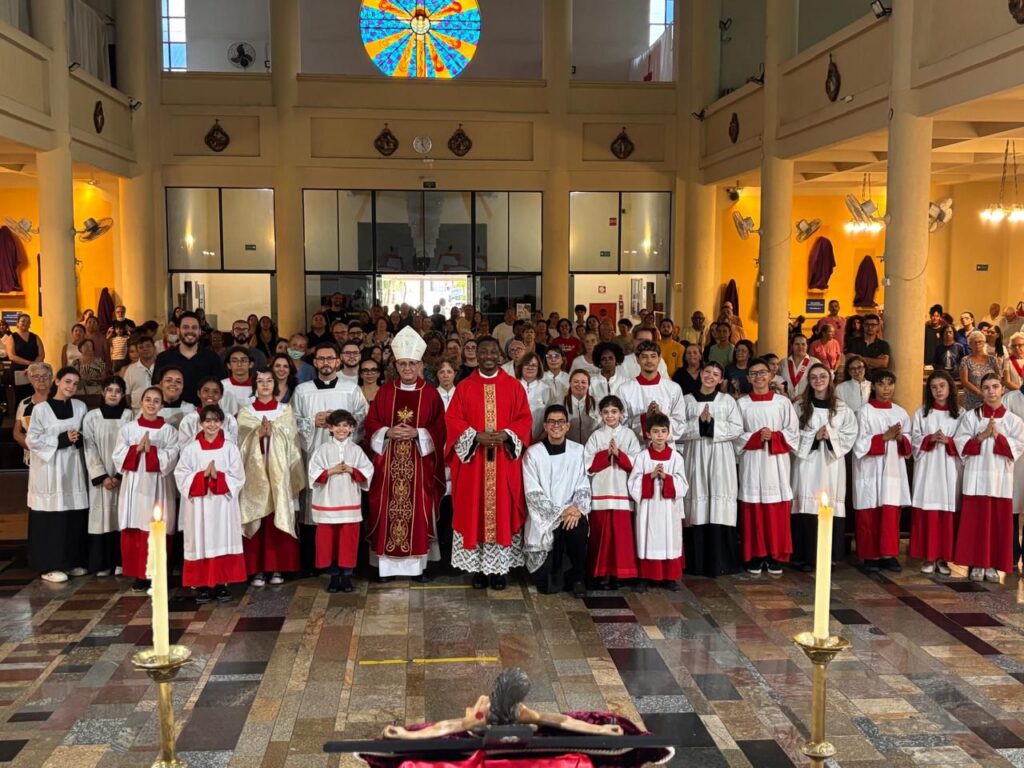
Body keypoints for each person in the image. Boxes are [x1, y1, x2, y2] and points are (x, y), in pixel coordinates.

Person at [445, 336, 533, 590]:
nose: (488, 356)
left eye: (493, 351)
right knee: (474, 510)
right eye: (483, 352)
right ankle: (478, 571)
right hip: (474, 465)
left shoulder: (513, 386)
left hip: (504, 462)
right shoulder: (464, 387)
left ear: (500, 355)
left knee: (502, 510)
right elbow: (453, 420)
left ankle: (499, 570)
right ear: (476, 355)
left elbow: (524, 419)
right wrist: (475, 436)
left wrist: (507, 435)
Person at [363, 327, 446, 581]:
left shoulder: (430, 394)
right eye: (402, 364)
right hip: (388, 464)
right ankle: (386, 568)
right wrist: (387, 433)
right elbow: (371, 422)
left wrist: (418, 433)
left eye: (412, 363)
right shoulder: (386, 391)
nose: (407, 368)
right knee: (386, 510)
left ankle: (417, 567)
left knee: (419, 511)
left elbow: (440, 428)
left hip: (420, 464)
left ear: (420, 365)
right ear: (395, 366)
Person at [292, 342, 369, 572]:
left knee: (345, 514)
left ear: (338, 361)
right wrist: (310, 422)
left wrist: (345, 444)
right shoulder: (302, 391)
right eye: (321, 359)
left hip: (345, 463)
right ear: (314, 362)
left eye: (330, 358)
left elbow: (362, 420)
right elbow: (291, 422)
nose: (326, 363)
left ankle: (345, 565)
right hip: (314, 456)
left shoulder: (351, 389)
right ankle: (318, 563)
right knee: (314, 512)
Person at [953, 373, 1024, 582]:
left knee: (996, 524)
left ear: (1003, 389)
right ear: (981, 391)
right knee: (975, 523)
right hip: (975, 478)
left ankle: (992, 564)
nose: (991, 392)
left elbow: (1016, 448)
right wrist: (982, 436)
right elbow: (960, 444)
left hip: (999, 480)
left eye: (995, 387)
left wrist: (997, 436)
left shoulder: (1013, 420)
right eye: (986, 388)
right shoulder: (971, 417)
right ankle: (976, 563)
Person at [237, 370, 305, 588]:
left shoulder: (285, 410)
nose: (265, 385)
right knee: (257, 517)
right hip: (254, 475)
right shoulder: (246, 412)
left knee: (277, 517)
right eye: (260, 381)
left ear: (275, 384)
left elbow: (291, 440)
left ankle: (276, 567)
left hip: (279, 474)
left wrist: (274, 433)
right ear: (254, 385)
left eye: (269, 381)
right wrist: (257, 434)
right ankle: (256, 570)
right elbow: (240, 442)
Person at [175, 404, 247, 603]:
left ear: (222, 423)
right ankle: (202, 585)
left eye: (216, 420)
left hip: (222, 506)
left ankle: (222, 584)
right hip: (199, 506)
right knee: (200, 541)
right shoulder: (191, 449)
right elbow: (181, 475)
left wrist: (218, 478)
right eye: (208, 420)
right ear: (201, 424)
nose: (212, 424)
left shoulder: (230, 448)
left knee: (222, 539)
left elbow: (238, 477)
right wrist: (202, 477)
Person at [735, 357, 799, 576]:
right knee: (753, 509)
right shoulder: (742, 404)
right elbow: (735, 434)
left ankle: (775, 555)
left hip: (776, 464)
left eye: (762, 372)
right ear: (748, 378)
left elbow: (793, 433)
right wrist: (754, 438)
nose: (758, 377)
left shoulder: (783, 403)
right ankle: (756, 555)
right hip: (752, 462)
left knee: (775, 510)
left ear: (771, 375)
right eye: (753, 374)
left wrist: (774, 436)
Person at [790, 364, 858, 571]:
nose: (818, 380)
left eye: (822, 376)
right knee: (806, 506)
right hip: (806, 465)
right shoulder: (800, 406)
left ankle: (828, 557)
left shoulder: (841, 408)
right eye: (813, 377)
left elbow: (850, 435)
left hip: (831, 466)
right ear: (808, 381)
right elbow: (791, 434)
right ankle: (805, 557)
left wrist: (830, 436)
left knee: (829, 508)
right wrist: (813, 436)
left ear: (830, 379)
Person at [678, 361, 743, 577]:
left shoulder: (727, 401)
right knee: (697, 500)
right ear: (700, 374)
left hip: (721, 457)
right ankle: (696, 562)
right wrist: (699, 423)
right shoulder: (686, 400)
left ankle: (721, 562)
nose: (710, 376)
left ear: (721, 379)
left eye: (716, 374)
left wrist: (712, 424)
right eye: (707, 372)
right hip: (695, 455)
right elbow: (677, 430)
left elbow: (737, 429)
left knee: (719, 500)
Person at [25, 367, 89, 583]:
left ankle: (70, 561)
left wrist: (78, 438)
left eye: (75, 383)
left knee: (72, 516)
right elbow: (32, 440)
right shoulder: (41, 409)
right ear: (58, 381)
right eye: (68, 381)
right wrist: (61, 439)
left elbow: (86, 434)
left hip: (72, 469)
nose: (71, 386)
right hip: (49, 470)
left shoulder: (80, 407)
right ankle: (49, 565)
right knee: (52, 518)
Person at [114, 386, 181, 591]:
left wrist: (151, 451)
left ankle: (159, 573)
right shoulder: (128, 429)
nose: (151, 404)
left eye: (156, 401)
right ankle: (140, 575)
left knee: (157, 525)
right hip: (134, 486)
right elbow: (117, 456)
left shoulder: (168, 431)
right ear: (140, 402)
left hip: (159, 486)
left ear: (162, 405)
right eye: (148, 400)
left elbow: (171, 458)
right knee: (136, 525)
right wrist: (136, 450)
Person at [522, 404, 592, 597]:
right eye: (551, 422)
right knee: (547, 586)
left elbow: (583, 484)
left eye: (560, 421)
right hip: (546, 520)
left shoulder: (578, 451)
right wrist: (561, 512)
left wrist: (577, 508)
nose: (556, 426)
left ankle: (578, 578)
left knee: (577, 527)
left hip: (571, 513)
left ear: (567, 426)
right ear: (544, 426)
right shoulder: (533, 454)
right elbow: (533, 492)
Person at [308, 409, 374, 593]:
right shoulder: (322, 450)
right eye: (337, 425)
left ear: (352, 428)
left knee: (348, 541)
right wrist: (331, 470)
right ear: (329, 428)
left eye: (346, 425)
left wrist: (353, 471)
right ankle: (333, 576)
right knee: (329, 541)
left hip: (349, 502)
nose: (341, 429)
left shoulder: (356, 450)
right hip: (328, 504)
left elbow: (368, 471)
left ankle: (346, 576)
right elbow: (312, 473)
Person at [852, 369, 911, 573]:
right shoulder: (864, 411)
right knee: (870, 512)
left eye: (890, 383)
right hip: (870, 468)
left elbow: (910, 441)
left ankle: (888, 554)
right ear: (873, 386)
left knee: (890, 512)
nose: (886, 388)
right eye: (881, 384)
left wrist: (901, 438)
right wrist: (883, 438)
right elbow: (858, 443)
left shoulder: (900, 412)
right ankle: (871, 555)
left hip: (893, 469)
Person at [627, 412, 687, 592]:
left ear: (669, 433)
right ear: (648, 434)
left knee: (670, 539)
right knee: (647, 538)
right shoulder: (642, 457)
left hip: (669, 508)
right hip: (649, 508)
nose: (660, 435)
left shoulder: (676, 457)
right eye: (655, 431)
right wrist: (650, 477)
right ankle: (645, 577)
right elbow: (633, 482)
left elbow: (683, 484)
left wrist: (667, 478)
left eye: (663, 431)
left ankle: (670, 577)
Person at [584, 395, 640, 588]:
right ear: (600, 414)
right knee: (601, 535)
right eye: (606, 412)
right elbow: (587, 464)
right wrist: (606, 454)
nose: (610, 416)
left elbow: (636, 463)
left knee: (621, 536)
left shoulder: (629, 435)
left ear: (621, 413)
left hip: (622, 490)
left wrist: (619, 455)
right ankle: (602, 573)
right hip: (601, 490)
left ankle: (621, 574)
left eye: (614, 412)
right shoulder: (597, 436)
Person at [909, 370, 961, 576]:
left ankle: (944, 559)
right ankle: (929, 556)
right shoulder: (922, 413)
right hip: (928, 470)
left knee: (946, 514)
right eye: (934, 387)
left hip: (949, 469)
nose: (938, 390)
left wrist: (949, 441)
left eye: (942, 386)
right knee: (928, 512)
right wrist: (929, 439)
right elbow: (914, 439)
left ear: (950, 388)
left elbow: (966, 442)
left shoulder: (961, 414)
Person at [82, 375, 132, 576]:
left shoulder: (130, 416)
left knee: (121, 518)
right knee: (101, 517)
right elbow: (89, 447)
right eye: (109, 390)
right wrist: (103, 476)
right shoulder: (92, 417)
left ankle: (121, 562)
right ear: (103, 392)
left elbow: (132, 447)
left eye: (117, 391)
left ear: (123, 394)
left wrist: (119, 475)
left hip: (123, 476)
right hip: (101, 478)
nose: (113, 394)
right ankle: (102, 563)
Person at [617, 340, 686, 444]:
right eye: (644, 356)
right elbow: (621, 424)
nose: (649, 360)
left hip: (666, 450)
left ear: (659, 359)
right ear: (637, 359)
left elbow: (680, 423)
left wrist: (660, 416)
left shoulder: (673, 388)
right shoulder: (624, 389)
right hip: (637, 449)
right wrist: (644, 418)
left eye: (653, 356)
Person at [155, 312, 226, 406]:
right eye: (185, 327)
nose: (190, 331)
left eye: (194, 328)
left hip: (204, 414)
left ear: (200, 331)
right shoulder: (163, 358)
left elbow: (220, 389)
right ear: (178, 331)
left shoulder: (213, 358)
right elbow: (157, 388)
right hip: (170, 413)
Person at [13, 363, 53, 469]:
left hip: (54, 457)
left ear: (51, 378)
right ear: (31, 380)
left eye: (45, 376)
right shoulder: (24, 403)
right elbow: (17, 432)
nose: (41, 379)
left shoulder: (58, 401)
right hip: (31, 459)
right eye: (36, 376)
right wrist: (33, 447)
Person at [178, 377, 239, 446]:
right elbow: (184, 448)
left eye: (215, 392)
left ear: (221, 395)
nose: (210, 395)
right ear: (199, 393)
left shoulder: (229, 419)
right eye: (206, 391)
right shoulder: (188, 420)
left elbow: (234, 445)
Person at [5, 313, 44, 402]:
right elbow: (11, 356)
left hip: (35, 370)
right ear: (17, 323)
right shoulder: (12, 337)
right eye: (23, 321)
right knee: (20, 397)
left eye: (28, 322)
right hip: (19, 370)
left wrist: (33, 366)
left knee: (35, 395)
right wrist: (29, 363)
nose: (25, 323)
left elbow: (41, 354)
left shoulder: (35, 337)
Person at [517, 352, 554, 441]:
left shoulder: (546, 389)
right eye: (526, 364)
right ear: (521, 367)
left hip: (539, 438)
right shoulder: (512, 386)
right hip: (515, 438)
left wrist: (543, 436)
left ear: (539, 368)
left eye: (534, 365)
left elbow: (551, 415)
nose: (530, 368)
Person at [960, 330, 1000, 410]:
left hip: (991, 397)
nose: (977, 344)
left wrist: (993, 393)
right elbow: (964, 381)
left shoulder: (992, 359)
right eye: (974, 342)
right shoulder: (965, 360)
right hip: (972, 399)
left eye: (980, 342)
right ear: (970, 345)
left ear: (984, 343)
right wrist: (981, 394)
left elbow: (998, 377)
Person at [782, 335, 822, 402]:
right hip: (787, 402)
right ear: (792, 346)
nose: (800, 347)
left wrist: (805, 395)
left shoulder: (815, 363)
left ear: (807, 346)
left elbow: (822, 383)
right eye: (797, 344)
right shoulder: (783, 363)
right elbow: (779, 382)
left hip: (807, 402)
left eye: (803, 344)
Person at [124, 335, 158, 410]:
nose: (145, 349)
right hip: (137, 410)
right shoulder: (131, 369)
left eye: (148, 346)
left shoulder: (162, 366)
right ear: (137, 351)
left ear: (154, 348)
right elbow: (127, 394)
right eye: (141, 347)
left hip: (159, 410)